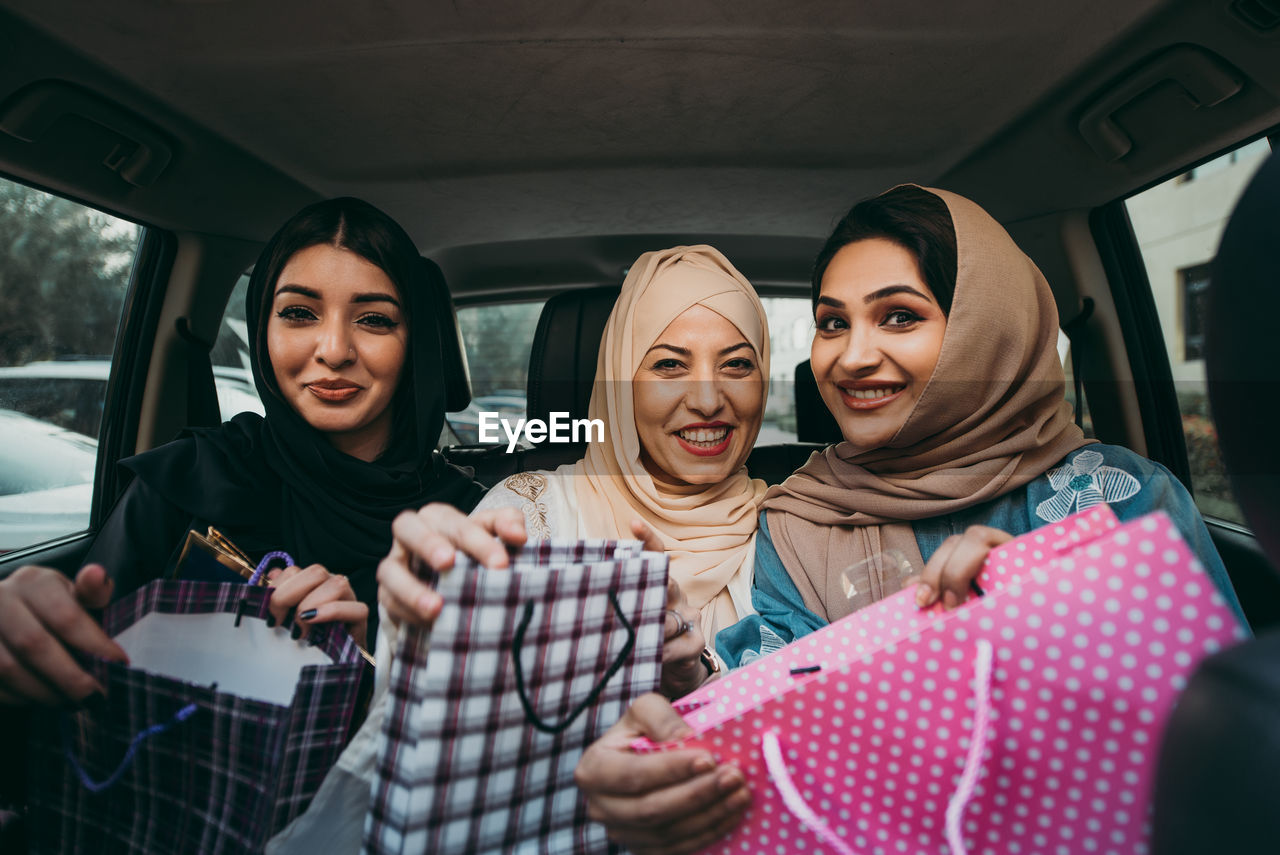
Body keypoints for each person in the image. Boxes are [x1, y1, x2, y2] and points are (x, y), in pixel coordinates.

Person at [574, 184, 1245, 854]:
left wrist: (1033, 613)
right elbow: (779, 736)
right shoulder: (800, 520)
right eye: (832, 323)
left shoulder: (1114, 495)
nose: (851, 356)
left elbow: (1233, 751)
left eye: (898, 316)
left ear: (986, 328)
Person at [0, 196, 484, 706]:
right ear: (262, 327)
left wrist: (364, 677)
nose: (335, 350)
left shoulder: (472, 523)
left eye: (375, 320)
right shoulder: (192, 479)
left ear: (415, 345)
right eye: (299, 313)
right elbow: (82, 678)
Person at [382, 244, 770, 696]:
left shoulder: (797, 527)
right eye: (669, 365)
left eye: (738, 364)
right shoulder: (528, 512)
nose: (707, 401)